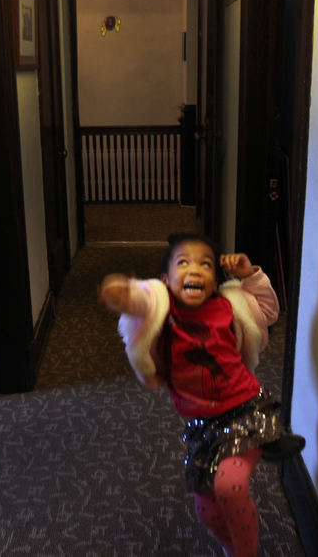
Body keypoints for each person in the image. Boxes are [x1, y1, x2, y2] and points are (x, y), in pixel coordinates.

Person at [100, 232, 305, 557]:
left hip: (246, 410)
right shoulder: (161, 311)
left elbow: (269, 311)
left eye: (205, 264)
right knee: (206, 511)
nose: (195, 269)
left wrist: (250, 274)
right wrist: (120, 293)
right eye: (184, 263)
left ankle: (268, 439)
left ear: (214, 280)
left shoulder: (228, 306)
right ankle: (233, 548)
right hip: (204, 427)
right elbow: (136, 300)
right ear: (165, 280)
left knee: (230, 485)